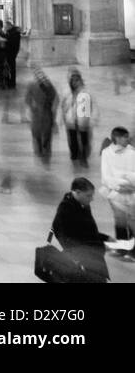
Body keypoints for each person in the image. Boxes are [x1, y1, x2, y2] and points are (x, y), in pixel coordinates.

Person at [51, 177, 110, 280]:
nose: (92, 199)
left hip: (91, 253)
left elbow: (89, 229)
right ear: (77, 192)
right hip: (82, 256)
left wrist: (106, 238)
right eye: (88, 195)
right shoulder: (65, 210)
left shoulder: (83, 204)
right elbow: (62, 235)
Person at [99, 127, 135, 258]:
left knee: (132, 220)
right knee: (120, 220)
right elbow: (106, 176)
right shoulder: (106, 153)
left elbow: (133, 173)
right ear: (117, 138)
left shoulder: (132, 152)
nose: (128, 139)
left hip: (132, 191)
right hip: (116, 192)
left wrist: (126, 182)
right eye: (125, 137)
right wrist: (120, 184)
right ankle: (122, 248)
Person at [61, 69, 96, 167]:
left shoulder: (86, 92)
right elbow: (63, 105)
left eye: (77, 80)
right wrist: (63, 117)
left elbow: (93, 106)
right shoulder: (67, 92)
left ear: (81, 80)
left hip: (83, 121)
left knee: (84, 140)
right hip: (70, 120)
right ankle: (75, 155)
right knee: (72, 140)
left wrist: (92, 120)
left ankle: (84, 157)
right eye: (73, 80)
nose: (75, 82)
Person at [24, 68, 58, 163]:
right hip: (37, 114)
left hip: (46, 113)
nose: (40, 79)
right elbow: (27, 100)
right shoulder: (31, 86)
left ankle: (45, 152)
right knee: (36, 134)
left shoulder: (49, 86)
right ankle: (39, 151)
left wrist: (53, 115)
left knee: (46, 134)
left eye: (42, 76)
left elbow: (54, 99)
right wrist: (30, 109)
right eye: (38, 76)